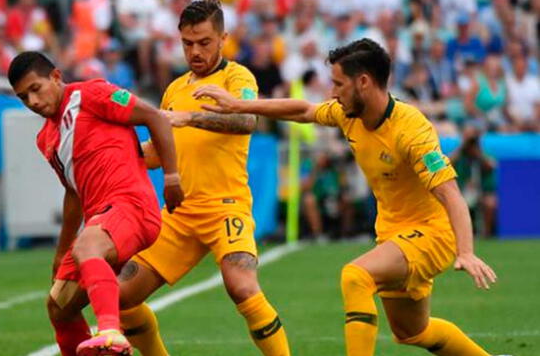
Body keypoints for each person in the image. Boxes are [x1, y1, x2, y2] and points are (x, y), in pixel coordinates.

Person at [191, 38, 500, 356]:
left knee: (356, 277)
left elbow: (450, 193)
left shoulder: (412, 131)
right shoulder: (347, 113)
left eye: (338, 83)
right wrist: (240, 105)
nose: (333, 92)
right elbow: (304, 110)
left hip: (434, 234)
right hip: (394, 232)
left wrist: (467, 251)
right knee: (412, 331)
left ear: (363, 82)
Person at [116, 0, 291, 356]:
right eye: (187, 43)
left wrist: (191, 118)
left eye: (204, 42)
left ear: (223, 38)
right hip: (179, 214)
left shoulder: (237, 77)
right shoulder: (174, 89)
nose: (195, 51)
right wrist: (117, 154)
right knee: (119, 298)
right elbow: (160, 149)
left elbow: (247, 122)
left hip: (225, 207)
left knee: (241, 286)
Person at [7, 51, 184, 356]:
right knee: (58, 307)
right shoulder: (45, 138)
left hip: (132, 207)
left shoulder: (91, 94)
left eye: (35, 89)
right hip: (101, 222)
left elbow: (154, 117)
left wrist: (171, 177)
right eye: (24, 97)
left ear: (56, 77)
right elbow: (74, 193)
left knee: (87, 247)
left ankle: (111, 334)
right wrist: (62, 249)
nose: (32, 102)